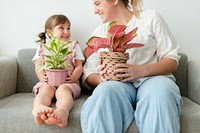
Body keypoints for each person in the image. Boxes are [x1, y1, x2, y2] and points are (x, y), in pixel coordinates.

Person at [81, 0, 182, 133]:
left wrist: (140, 70)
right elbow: (88, 74)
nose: (95, 10)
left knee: (160, 91)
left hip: (153, 79)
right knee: (104, 92)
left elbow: (171, 60)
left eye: (98, 3)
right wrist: (102, 79)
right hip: (118, 85)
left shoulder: (150, 18)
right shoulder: (100, 32)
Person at [32, 14, 85, 127]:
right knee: (45, 90)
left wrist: (73, 77)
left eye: (68, 28)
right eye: (61, 28)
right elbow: (38, 64)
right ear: (50, 32)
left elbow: (79, 66)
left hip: (68, 83)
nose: (66, 31)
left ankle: (63, 111)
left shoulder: (74, 46)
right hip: (48, 82)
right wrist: (42, 77)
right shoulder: (43, 47)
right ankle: (38, 108)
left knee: (63, 90)